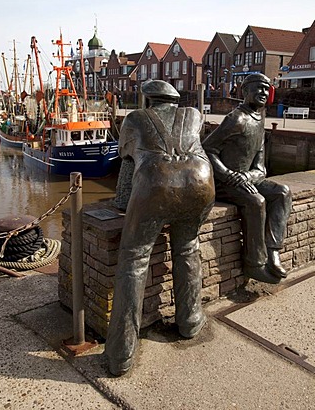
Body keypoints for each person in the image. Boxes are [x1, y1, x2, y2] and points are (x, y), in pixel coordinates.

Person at [105, 80, 215, 376]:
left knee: (134, 260)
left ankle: (121, 353)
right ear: (174, 101)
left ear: (149, 100)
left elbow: (126, 162)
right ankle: (190, 321)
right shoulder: (194, 114)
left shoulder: (135, 119)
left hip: (156, 184)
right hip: (201, 181)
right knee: (187, 247)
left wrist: (124, 202)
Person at [202, 73, 292, 285]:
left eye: (266, 88)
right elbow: (207, 149)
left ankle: (273, 252)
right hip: (226, 183)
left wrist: (249, 176)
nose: (262, 92)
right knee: (257, 202)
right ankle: (255, 264)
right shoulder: (236, 119)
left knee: (282, 192)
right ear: (245, 91)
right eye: (258, 87)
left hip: (246, 178)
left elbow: (260, 164)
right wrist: (228, 174)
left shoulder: (260, 119)